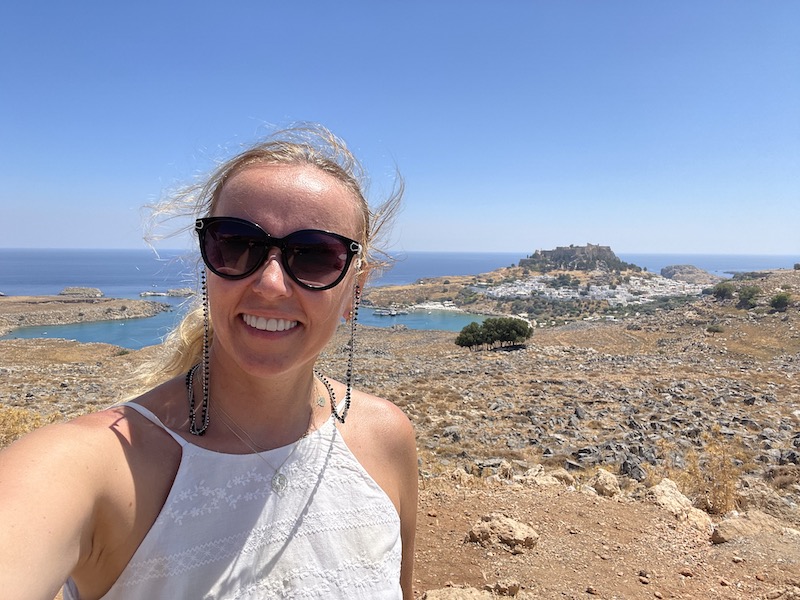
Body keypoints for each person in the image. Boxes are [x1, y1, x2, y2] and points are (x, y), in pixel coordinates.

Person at [0, 124, 418, 599]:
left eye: (316, 256)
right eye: (237, 244)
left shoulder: (385, 439)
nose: (270, 285)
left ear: (354, 289)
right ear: (207, 262)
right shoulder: (94, 465)